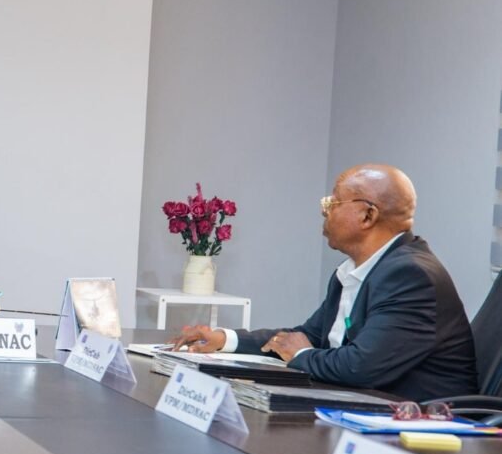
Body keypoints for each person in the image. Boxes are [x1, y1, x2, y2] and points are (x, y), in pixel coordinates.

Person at [171, 164, 477, 401]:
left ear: (367, 215)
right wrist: (226, 340)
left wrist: (302, 355)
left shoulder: (410, 275)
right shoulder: (356, 269)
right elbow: (311, 336)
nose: (324, 210)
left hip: (423, 428)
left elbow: (359, 366)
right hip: (365, 406)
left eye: (333, 202)